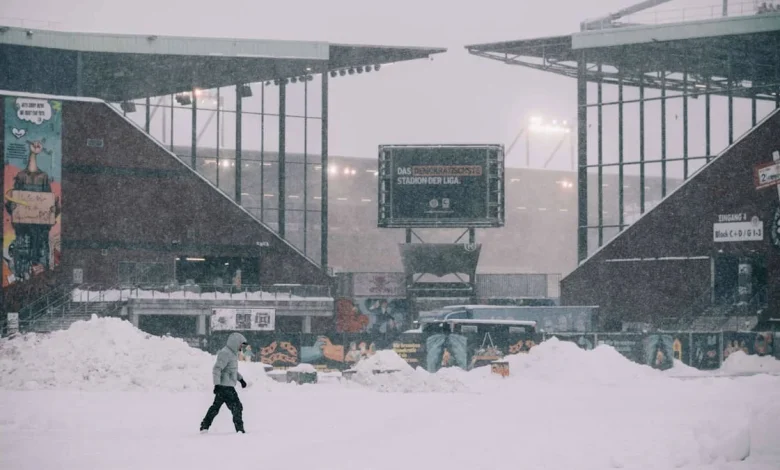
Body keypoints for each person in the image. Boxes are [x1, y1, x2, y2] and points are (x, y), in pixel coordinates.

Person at [200, 332, 248, 433]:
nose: (241, 347)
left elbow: (231, 370)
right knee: (237, 407)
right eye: (240, 344)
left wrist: (241, 379)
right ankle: (240, 430)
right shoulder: (225, 353)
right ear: (235, 343)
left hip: (225, 386)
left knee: (215, 408)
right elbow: (217, 369)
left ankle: (204, 426)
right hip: (226, 387)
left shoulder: (232, 354)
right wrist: (216, 384)